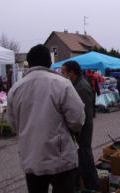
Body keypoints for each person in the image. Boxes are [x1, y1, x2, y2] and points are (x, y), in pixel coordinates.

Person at [7, 45, 85, 193]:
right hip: (60, 159)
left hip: (31, 159)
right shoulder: (62, 84)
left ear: (28, 64)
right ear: (50, 63)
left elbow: (13, 124)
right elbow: (77, 119)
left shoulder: (15, 89)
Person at [62, 61, 99, 191]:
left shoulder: (81, 87)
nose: (62, 75)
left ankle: (93, 186)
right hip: (80, 129)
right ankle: (79, 184)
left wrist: (78, 130)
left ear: (72, 73)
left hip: (82, 129)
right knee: (81, 157)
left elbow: (83, 114)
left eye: (64, 72)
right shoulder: (76, 84)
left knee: (85, 157)